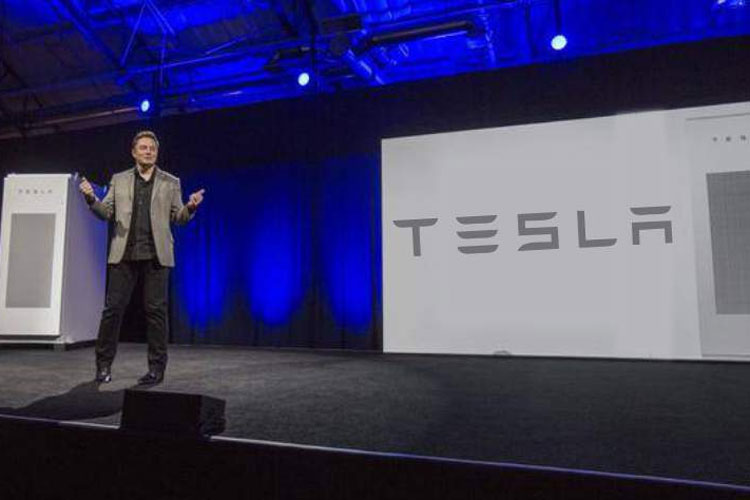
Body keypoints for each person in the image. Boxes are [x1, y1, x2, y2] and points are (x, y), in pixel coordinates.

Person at [79, 130, 204, 385]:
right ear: (134, 152)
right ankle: (103, 365)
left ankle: (156, 369)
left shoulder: (171, 182)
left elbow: (178, 217)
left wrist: (190, 207)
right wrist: (91, 198)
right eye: (144, 148)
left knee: (156, 313)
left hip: (156, 256)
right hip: (124, 254)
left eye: (152, 148)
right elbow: (106, 212)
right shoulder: (119, 179)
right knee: (113, 311)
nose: (148, 151)